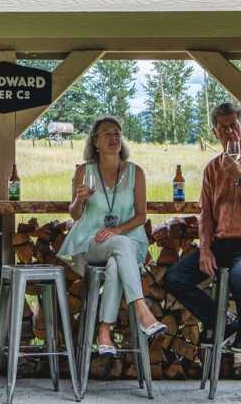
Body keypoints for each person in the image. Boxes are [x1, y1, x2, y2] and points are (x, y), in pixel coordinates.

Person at [163, 102, 241, 351]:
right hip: (222, 242)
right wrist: (204, 249)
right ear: (215, 132)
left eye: (234, 126)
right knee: (175, 277)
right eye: (223, 129)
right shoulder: (213, 168)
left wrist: (239, 177)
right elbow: (206, 215)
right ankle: (222, 321)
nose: (230, 133)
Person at [60, 116, 166, 354]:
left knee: (117, 263)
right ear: (95, 141)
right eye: (107, 133)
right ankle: (142, 310)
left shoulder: (135, 172)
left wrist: (117, 230)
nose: (114, 138)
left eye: (117, 133)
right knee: (119, 245)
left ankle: (105, 331)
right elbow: (76, 215)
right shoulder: (83, 171)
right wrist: (79, 200)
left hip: (128, 241)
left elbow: (141, 215)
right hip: (93, 240)